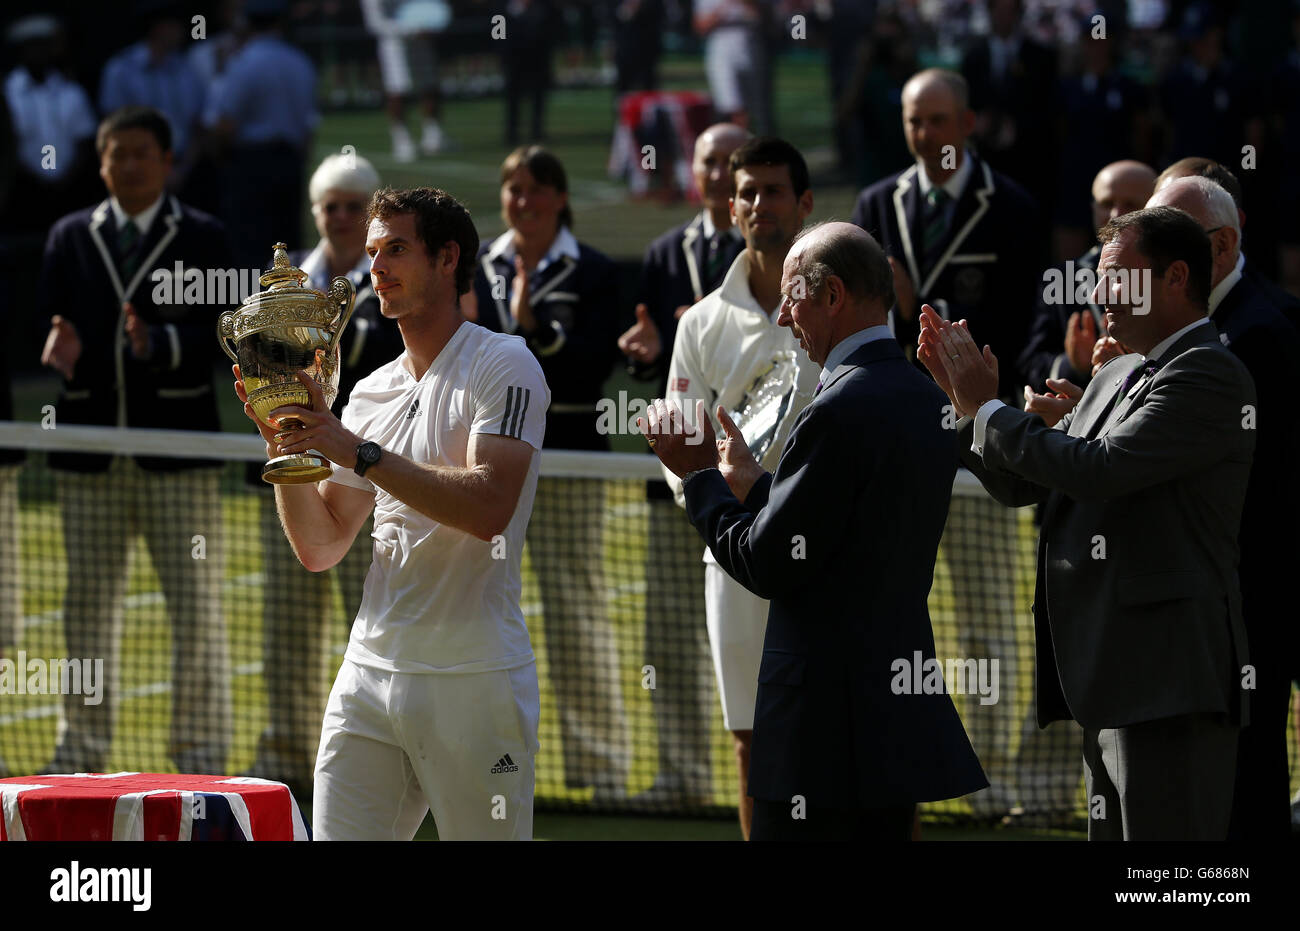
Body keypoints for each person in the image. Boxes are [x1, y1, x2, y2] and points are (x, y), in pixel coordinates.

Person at [640, 221, 988, 840]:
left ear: (832, 297)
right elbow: (850, 527)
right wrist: (757, 489)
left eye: (792, 295)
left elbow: (767, 565)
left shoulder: (833, 408)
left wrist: (699, 479)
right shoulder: (921, 394)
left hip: (822, 729)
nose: (781, 314)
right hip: (895, 719)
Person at [923, 205, 1255, 840]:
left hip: (1168, 682)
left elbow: (1097, 469)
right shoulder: (1122, 371)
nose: (1097, 295)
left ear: (1176, 277)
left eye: (1116, 278)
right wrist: (966, 408)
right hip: (1109, 677)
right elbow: (1026, 483)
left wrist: (990, 407)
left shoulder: (1208, 372)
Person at [234, 186, 549, 840]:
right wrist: (284, 443)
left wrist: (358, 451)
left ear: (447, 258)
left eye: (397, 249)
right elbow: (321, 547)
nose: (376, 265)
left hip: (474, 679)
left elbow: (490, 505)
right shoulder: (372, 390)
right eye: (373, 252)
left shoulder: (506, 364)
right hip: (369, 675)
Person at [850, 67, 1040, 821]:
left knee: (990, 609)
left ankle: (991, 776)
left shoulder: (1015, 208)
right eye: (912, 121)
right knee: (895, 611)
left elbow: (1028, 326)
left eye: (937, 120)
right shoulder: (874, 204)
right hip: (895, 440)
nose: (925, 136)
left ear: (968, 124)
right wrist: (898, 316)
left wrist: (984, 405)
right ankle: (900, 766)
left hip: (980, 443)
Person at [37, 105, 233, 775]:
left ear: (167, 161)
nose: (127, 165)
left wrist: (165, 342)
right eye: (115, 154)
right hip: (88, 453)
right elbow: (47, 318)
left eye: (141, 153)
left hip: (177, 452)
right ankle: (81, 753)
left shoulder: (205, 237)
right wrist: (54, 338)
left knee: (197, 608)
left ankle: (201, 755)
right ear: (100, 163)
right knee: (86, 611)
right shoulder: (68, 236)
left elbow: (234, 332)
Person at [661, 136, 819, 838]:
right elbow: (679, 445)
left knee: (851, 739)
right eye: (746, 193)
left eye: (773, 190)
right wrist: (719, 501)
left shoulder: (841, 298)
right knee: (753, 741)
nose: (758, 204)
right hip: (736, 555)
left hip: (830, 551)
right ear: (732, 207)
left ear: (804, 202)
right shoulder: (699, 322)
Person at [240, 152, 403, 798]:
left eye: (351, 207)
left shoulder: (388, 283)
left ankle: (387, 755)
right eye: (328, 206)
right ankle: (285, 751)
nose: (338, 217)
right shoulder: (279, 289)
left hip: (372, 466)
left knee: (371, 617)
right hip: (291, 460)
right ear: (315, 213)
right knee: (286, 619)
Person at [1139, 177, 1297, 840]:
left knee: (1247, 775)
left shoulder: (1255, 332)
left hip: (1249, 588)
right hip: (1234, 587)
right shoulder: (1243, 316)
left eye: (1166, 242)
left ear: (1223, 245)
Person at [467, 146, 628, 800]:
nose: (523, 200)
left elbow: (589, 370)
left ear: (560, 197)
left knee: (575, 612)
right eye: (512, 188)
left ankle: (602, 769)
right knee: (475, 610)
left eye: (535, 189)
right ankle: (481, 763)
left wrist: (538, 329)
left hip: (565, 460)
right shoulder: (478, 266)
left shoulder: (596, 271)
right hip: (482, 464)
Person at [618, 121, 748, 808]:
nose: (721, 174)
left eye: (734, 162)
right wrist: (642, 352)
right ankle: (681, 773)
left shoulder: (776, 262)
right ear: (694, 172)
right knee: (667, 626)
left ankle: (775, 775)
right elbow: (660, 363)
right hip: (677, 476)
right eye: (710, 162)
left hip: (757, 478)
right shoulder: (666, 252)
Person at [1019, 160, 1156, 393]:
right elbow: (1029, 368)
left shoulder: (1171, 277)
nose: (1116, 214)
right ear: (1093, 208)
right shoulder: (1064, 279)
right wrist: (1073, 365)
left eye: (1131, 204)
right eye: (1106, 203)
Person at [202, 0, 317, 271]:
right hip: (289, 161)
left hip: (250, 164)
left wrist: (219, 156)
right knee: (288, 242)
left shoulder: (242, 63)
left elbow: (226, 124)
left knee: (250, 244)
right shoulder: (300, 62)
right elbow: (308, 125)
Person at [98, 2, 207, 176]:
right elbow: (113, 124)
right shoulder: (122, 69)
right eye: (175, 25)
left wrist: (182, 170)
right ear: (158, 28)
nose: (181, 31)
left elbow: (198, 126)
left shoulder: (188, 70)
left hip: (183, 169)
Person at [361, 0, 450, 161]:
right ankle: (402, 140)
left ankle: (433, 136)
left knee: (429, 86)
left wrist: (430, 25)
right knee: (397, 90)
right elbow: (375, 22)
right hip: (394, 46)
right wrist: (409, 29)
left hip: (421, 42)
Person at [693, 0, 771, 134]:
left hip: (750, 46)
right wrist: (719, 12)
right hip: (721, 48)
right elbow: (700, 26)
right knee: (733, 107)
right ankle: (736, 145)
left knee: (755, 107)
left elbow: (766, 18)